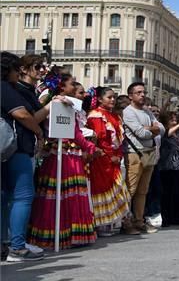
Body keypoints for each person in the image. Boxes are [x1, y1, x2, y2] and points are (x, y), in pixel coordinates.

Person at [28, 75, 98, 249]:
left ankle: (66, 235)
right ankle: (60, 235)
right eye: (72, 84)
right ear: (61, 88)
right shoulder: (59, 103)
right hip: (62, 154)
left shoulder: (67, 104)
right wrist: (90, 146)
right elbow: (73, 132)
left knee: (66, 194)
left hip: (67, 153)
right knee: (64, 194)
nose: (75, 86)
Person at [2, 55, 58, 261]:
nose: (42, 70)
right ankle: (16, 246)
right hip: (16, 148)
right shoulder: (8, 88)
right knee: (22, 196)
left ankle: (5, 245)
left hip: (8, 149)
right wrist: (39, 133)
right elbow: (24, 115)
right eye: (16, 70)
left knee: (5, 197)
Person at [86, 87, 130, 236]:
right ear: (99, 99)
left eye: (114, 97)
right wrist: (109, 156)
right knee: (102, 189)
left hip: (114, 160)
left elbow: (117, 141)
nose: (112, 100)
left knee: (116, 189)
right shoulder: (96, 116)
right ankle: (100, 224)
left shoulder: (114, 116)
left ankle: (109, 222)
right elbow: (98, 140)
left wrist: (118, 155)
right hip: (101, 160)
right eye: (109, 97)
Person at [121, 82, 161, 235]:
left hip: (149, 152)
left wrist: (150, 129)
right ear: (131, 96)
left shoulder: (147, 112)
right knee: (131, 189)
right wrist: (152, 129)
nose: (143, 95)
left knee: (143, 191)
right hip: (134, 153)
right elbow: (141, 133)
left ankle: (139, 221)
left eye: (143, 92)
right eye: (138, 92)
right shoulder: (128, 112)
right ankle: (126, 222)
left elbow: (161, 129)